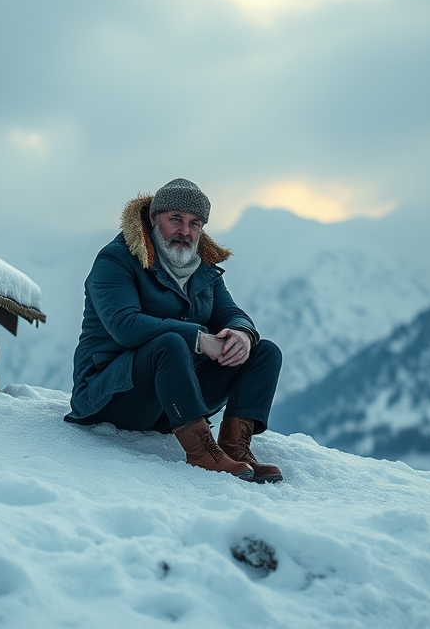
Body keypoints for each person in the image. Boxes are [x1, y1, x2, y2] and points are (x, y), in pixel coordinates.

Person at [64, 178, 284, 483]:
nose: (185, 231)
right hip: (110, 396)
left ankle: (235, 449)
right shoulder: (116, 259)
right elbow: (125, 326)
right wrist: (198, 338)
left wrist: (242, 334)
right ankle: (203, 452)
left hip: (173, 403)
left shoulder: (201, 267)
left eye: (195, 223)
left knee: (263, 351)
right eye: (176, 220)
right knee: (170, 343)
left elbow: (231, 313)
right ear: (155, 218)